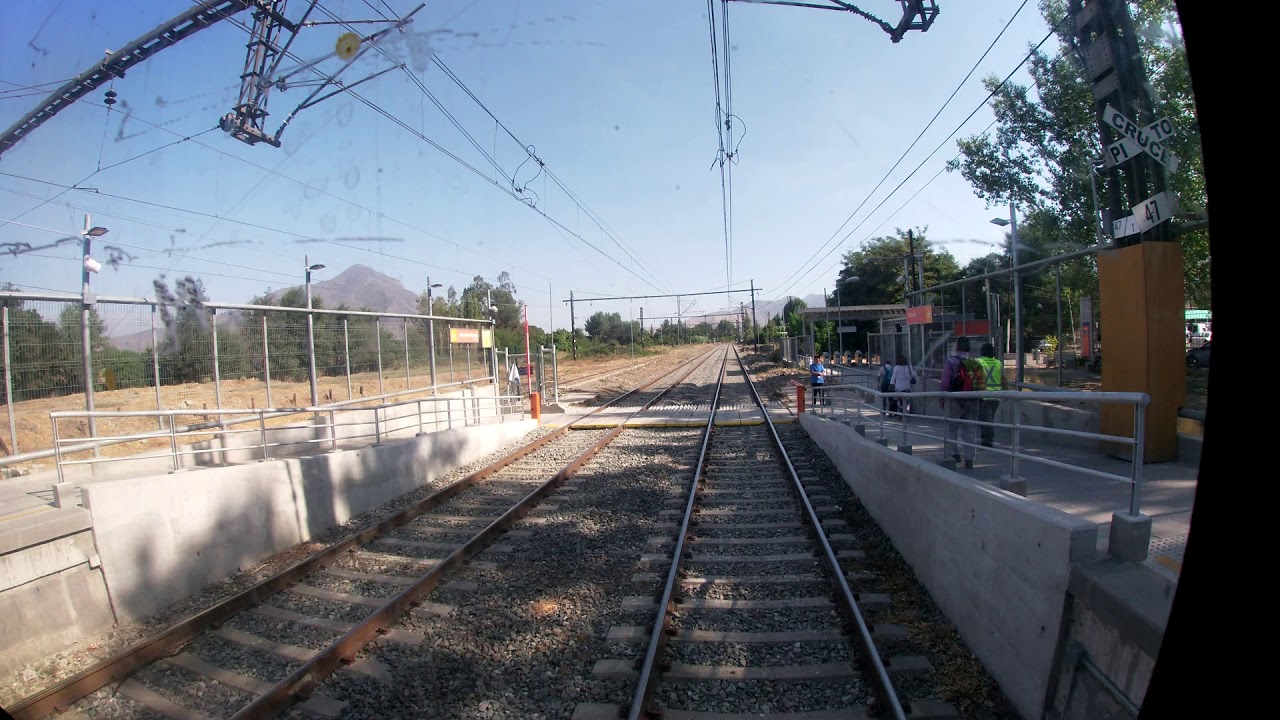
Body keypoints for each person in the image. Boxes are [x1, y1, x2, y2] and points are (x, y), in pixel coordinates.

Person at [941, 337, 980, 469]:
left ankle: (954, 454)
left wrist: (942, 398)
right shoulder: (975, 363)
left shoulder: (950, 361)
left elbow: (945, 383)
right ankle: (969, 459)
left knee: (952, 428)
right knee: (970, 431)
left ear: (957, 347)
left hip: (955, 400)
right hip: (972, 400)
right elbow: (981, 384)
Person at [974, 343, 1004, 447]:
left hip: (983, 394)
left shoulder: (978, 362)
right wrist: (1007, 392)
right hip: (996, 395)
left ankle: (988, 440)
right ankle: (984, 439)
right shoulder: (998, 363)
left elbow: (974, 378)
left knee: (984, 419)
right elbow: (1003, 379)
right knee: (988, 418)